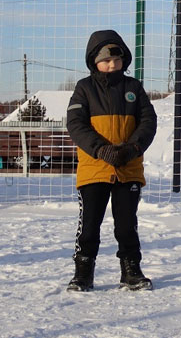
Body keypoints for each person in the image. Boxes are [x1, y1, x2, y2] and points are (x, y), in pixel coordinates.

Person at [64, 30, 158, 292]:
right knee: (90, 225)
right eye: (105, 61)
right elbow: (76, 124)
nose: (111, 65)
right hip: (94, 170)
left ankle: (131, 271)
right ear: (94, 61)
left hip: (128, 169)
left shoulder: (133, 88)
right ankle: (83, 273)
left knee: (127, 224)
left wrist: (132, 148)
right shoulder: (84, 88)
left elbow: (148, 122)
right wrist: (101, 150)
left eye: (116, 60)